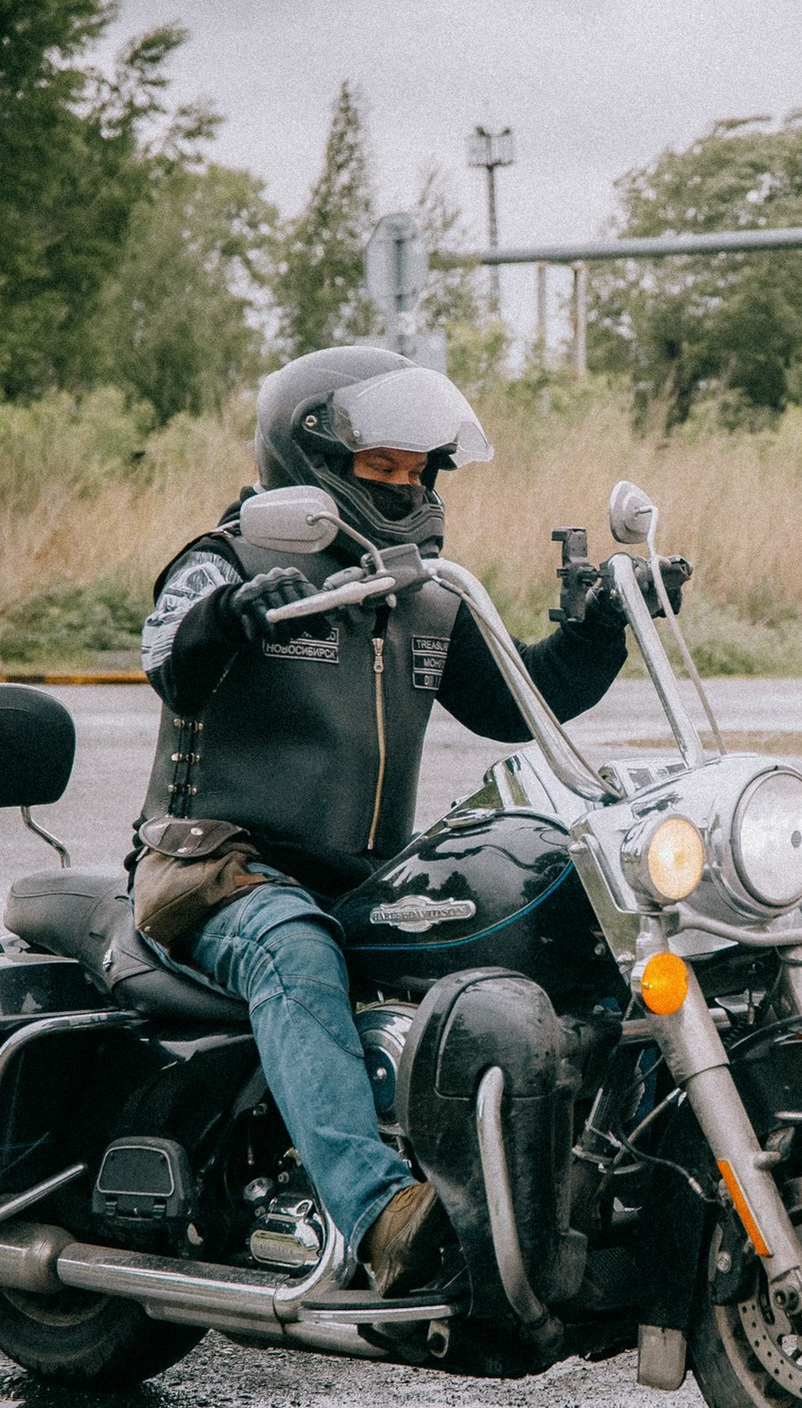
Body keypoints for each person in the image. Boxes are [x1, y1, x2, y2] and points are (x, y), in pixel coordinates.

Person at [132, 346, 683, 1295]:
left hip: (361, 878)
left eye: (416, 470)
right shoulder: (226, 559)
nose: (403, 486)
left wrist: (598, 632)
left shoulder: (420, 593)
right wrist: (229, 616)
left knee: (541, 919)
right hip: (217, 870)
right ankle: (379, 1213)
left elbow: (516, 702)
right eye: (378, 466)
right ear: (311, 462)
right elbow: (169, 662)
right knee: (293, 948)